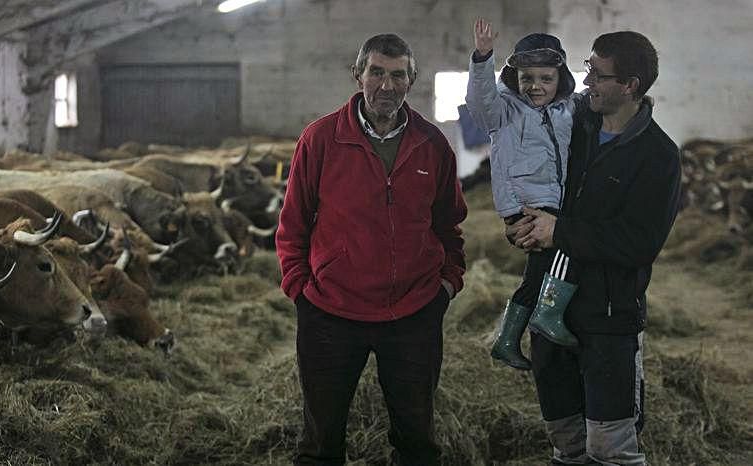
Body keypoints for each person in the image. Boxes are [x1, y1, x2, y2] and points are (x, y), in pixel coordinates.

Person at [275, 33, 467, 465]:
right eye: (376, 72)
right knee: (321, 442)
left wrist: (447, 284)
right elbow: (293, 224)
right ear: (358, 75)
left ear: (411, 80)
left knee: (417, 440)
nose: (386, 85)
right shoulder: (321, 139)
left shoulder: (432, 144)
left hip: (414, 311)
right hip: (330, 312)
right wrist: (300, 289)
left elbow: (448, 223)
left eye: (398, 75)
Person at [510, 31, 681, 465]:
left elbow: (640, 243)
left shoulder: (657, 156)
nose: (587, 83)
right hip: (550, 312)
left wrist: (559, 231)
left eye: (598, 75)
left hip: (608, 320)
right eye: (587, 70)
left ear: (630, 85)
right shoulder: (575, 128)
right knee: (566, 442)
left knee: (609, 448)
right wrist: (522, 223)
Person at [465, 19, 585, 371]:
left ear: (560, 79)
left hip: (552, 200)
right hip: (525, 204)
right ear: (513, 79)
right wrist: (483, 57)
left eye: (546, 78)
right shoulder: (504, 110)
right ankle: (548, 313)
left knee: (537, 272)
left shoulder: (567, 109)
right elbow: (479, 99)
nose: (535, 86)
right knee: (570, 248)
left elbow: (594, 108)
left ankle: (506, 338)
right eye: (527, 78)